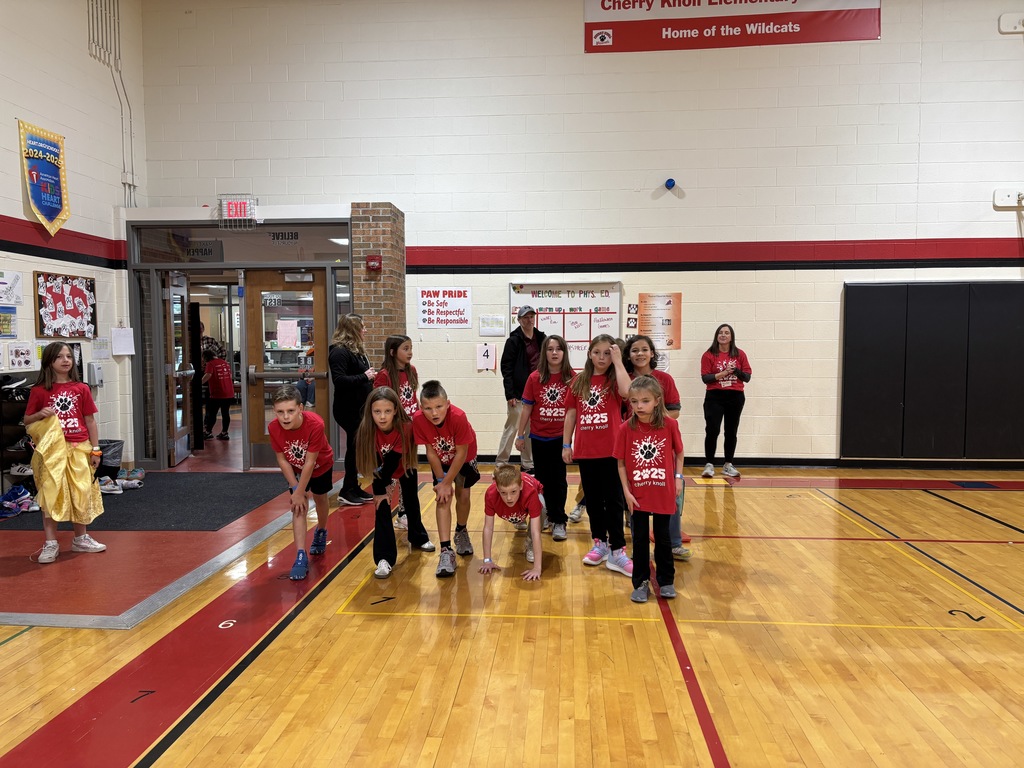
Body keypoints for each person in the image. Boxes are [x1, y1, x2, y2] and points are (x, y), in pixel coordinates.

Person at [23, 342, 106, 564]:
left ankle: (81, 538)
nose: (65, 360)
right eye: (59, 356)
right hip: (52, 453)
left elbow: (90, 421)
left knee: (81, 493)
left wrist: (96, 450)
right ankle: (51, 543)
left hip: (79, 448)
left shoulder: (81, 388)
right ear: (49, 361)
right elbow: (27, 420)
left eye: (69, 356)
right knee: (51, 495)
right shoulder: (39, 391)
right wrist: (40, 413)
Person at [562, 334, 632, 577]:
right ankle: (599, 543)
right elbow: (571, 414)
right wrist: (565, 444)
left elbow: (627, 392)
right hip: (587, 450)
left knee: (614, 500)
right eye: (597, 353)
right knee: (592, 500)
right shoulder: (579, 381)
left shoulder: (615, 378)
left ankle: (617, 550)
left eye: (606, 353)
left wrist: (618, 361)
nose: (601, 358)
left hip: (612, 450)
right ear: (589, 353)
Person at [616, 375, 684, 603]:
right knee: (640, 541)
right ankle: (641, 582)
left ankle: (666, 581)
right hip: (638, 494)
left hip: (663, 490)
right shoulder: (625, 428)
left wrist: (678, 478)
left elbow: (679, 453)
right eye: (634, 402)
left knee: (663, 539)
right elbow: (621, 463)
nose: (639, 406)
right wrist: (626, 491)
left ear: (657, 400)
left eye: (644, 401)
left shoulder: (670, 424)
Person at [623, 334, 691, 559]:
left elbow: (675, 410)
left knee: (670, 495)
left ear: (652, 353)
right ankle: (639, 546)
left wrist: (653, 422)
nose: (639, 354)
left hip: (660, 448)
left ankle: (673, 543)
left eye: (644, 349)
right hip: (634, 445)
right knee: (635, 497)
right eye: (634, 350)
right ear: (629, 355)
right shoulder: (624, 379)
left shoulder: (665, 379)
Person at [355, 387, 434, 579]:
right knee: (381, 508)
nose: (382, 417)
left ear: (395, 410)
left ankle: (417, 537)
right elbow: (374, 465)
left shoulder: (406, 427)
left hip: (403, 464)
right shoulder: (367, 429)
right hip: (380, 470)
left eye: (387, 411)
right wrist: (380, 491)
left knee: (411, 499)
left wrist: (384, 486)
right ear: (370, 412)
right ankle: (384, 559)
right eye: (377, 412)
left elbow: (392, 462)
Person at [412, 380, 480, 578]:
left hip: (464, 457)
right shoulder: (418, 420)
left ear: (447, 404)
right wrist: (441, 482)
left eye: (439, 407)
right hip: (441, 458)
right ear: (421, 407)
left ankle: (461, 530)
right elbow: (430, 451)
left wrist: (448, 482)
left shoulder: (458, 417)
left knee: (463, 496)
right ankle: (445, 550)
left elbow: (461, 453)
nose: (434, 413)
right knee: (442, 498)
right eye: (428, 408)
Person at [267, 385, 334, 580]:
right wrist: (296, 489)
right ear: (274, 411)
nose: (285, 417)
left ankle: (321, 529)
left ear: (301, 408)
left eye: (290, 411)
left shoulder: (315, 424)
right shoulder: (273, 428)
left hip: (320, 465)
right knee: (298, 507)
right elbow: (282, 459)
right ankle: (300, 554)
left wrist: (300, 491)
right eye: (280, 412)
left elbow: (310, 462)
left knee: (320, 498)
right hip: (295, 468)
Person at [515, 334, 573, 542]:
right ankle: (545, 514)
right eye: (550, 349)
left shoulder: (571, 378)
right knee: (541, 480)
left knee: (559, 480)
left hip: (560, 438)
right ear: (544, 353)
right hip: (539, 438)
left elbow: (576, 412)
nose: (554, 352)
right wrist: (520, 434)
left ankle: (559, 520)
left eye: (558, 349)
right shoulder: (534, 378)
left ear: (564, 352)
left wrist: (571, 441)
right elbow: (527, 408)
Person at [373, 334, 419, 530]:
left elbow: (413, 397)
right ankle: (386, 508)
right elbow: (379, 402)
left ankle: (403, 512)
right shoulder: (383, 375)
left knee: (408, 470)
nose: (410, 352)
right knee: (392, 470)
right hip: (394, 432)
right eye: (405, 349)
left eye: (410, 348)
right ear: (393, 352)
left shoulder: (412, 371)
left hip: (410, 428)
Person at [329, 313, 375, 506]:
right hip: (348, 409)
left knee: (356, 450)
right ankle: (347, 490)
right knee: (353, 449)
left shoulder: (355, 350)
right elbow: (339, 381)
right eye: (362, 327)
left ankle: (353, 486)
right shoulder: (339, 352)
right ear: (352, 329)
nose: (365, 330)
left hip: (359, 408)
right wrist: (365, 377)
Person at [497, 305, 546, 472]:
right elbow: (506, 369)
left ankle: (527, 463)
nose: (529, 319)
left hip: (536, 393)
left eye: (531, 316)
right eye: (525, 317)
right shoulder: (514, 341)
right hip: (517, 394)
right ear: (519, 320)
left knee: (529, 430)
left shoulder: (541, 338)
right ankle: (501, 462)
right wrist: (509, 393)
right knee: (512, 428)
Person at [700, 324, 752, 478]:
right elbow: (705, 378)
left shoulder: (740, 354)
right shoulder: (708, 355)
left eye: (726, 333)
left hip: (735, 396)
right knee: (712, 430)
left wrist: (735, 370)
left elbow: (747, 377)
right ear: (716, 336)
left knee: (731, 431)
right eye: (720, 332)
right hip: (714, 396)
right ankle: (709, 464)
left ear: (731, 336)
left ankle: (728, 464)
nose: (723, 335)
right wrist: (723, 373)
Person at [479, 464, 544, 581]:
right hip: (518, 507)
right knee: (516, 513)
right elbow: (488, 528)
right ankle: (519, 518)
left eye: (513, 491)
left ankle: (529, 543)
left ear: (520, 486)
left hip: (535, 494)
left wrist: (537, 568)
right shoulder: (490, 494)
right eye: (503, 493)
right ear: (497, 488)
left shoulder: (530, 492)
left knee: (542, 508)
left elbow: (535, 532)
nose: (509, 498)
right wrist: (487, 560)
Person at [201, 349, 234, 440]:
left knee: (212, 413)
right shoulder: (224, 362)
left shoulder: (210, 364)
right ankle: (224, 432)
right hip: (228, 392)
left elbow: (208, 375)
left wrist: (198, 383)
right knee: (225, 413)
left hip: (217, 393)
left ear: (206, 357)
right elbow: (229, 376)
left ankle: (208, 432)